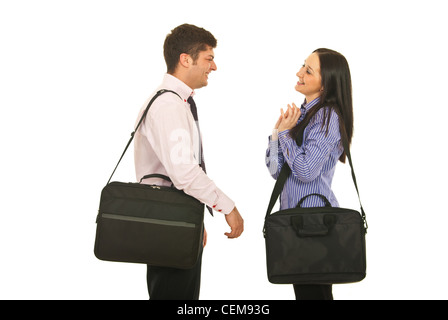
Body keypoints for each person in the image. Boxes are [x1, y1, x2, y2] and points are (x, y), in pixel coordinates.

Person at [134, 24, 244, 300]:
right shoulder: (170, 105)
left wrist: (193, 222)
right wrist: (227, 206)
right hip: (168, 224)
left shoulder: (173, 101)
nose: (214, 66)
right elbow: (183, 172)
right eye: (209, 58)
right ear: (186, 59)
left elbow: (173, 173)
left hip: (173, 220)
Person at [265, 48, 354, 300]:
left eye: (308, 70)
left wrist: (284, 135)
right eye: (302, 66)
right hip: (297, 220)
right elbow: (275, 171)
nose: (299, 73)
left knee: (314, 294)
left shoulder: (327, 117)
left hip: (314, 223)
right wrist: (276, 133)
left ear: (326, 85)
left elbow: (305, 170)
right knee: (308, 293)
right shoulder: (301, 115)